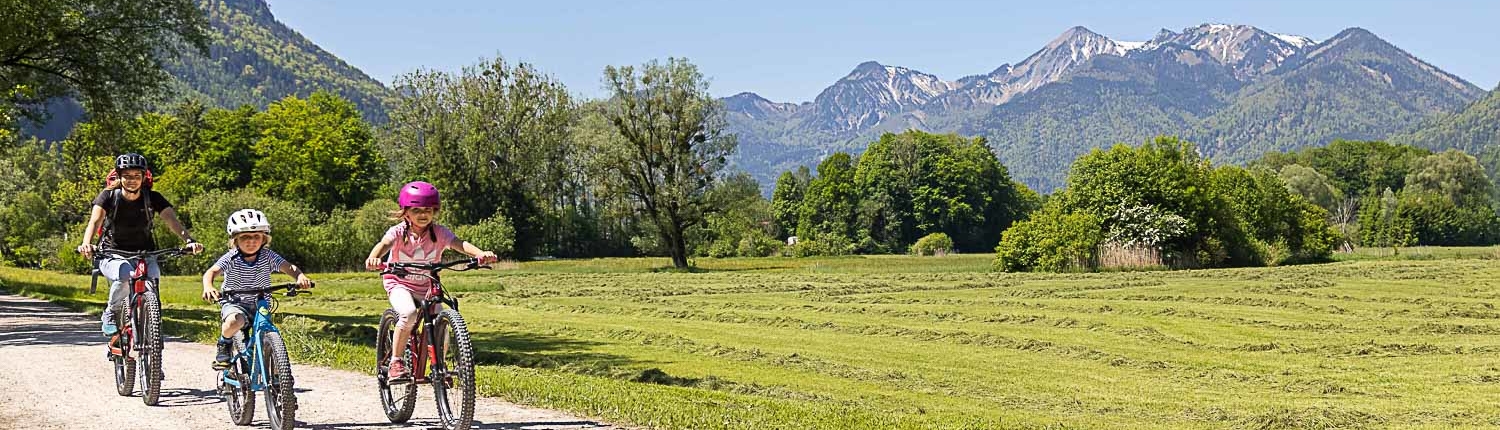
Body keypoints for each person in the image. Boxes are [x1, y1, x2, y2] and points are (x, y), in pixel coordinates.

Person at [363, 181, 496, 382]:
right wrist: (374, 258)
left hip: (427, 286)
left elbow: (460, 244)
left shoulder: (440, 233)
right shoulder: (398, 232)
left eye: (428, 209)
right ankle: (396, 362)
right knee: (408, 314)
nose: (423, 214)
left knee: (442, 320)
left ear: (434, 210)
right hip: (399, 283)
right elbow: (384, 244)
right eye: (416, 210)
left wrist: (481, 254)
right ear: (405, 212)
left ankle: (438, 368)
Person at [76, 153, 204, 336]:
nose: (132, 180)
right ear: (119, 177)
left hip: (144, 253)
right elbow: (95, 222)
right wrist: (86, 244)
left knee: (153, 277)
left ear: (144, 177)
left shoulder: (153, 198)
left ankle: (151, 322)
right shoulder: (108, 196)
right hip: (112, 253)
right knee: (125, 275)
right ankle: (111, 313)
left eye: (137, 176)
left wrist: (189, 241)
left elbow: (172, 221)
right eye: (127, 176)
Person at [201, 209, 313, 369]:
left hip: (261, 302)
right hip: (235, 302)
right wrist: (209, 286)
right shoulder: (231, 257)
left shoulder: (268, 256)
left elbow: (288, 267)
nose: (251, 241)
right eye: (245, 237)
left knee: (268, 332)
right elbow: (211, 272)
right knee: (234, 321)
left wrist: (300, 277)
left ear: (264, 239)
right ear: (235, 240)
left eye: (256, 237)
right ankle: (224, 343)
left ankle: (279, 375)